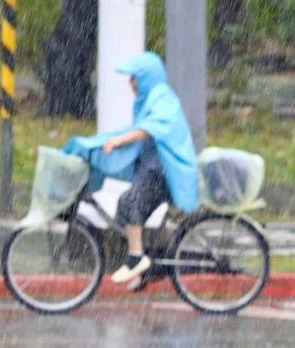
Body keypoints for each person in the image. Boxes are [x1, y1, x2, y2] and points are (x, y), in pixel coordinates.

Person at [64, 52, 198, 290]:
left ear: (148, 77)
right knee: (134, 213)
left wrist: (119, 141)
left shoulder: (162, 98)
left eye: (135, 78)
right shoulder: (148, 100)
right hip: (153, 171)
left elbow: (151, 128)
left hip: (165, 174)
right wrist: (98, 143)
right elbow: (136, 129)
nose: (132, 83)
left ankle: (136, 259)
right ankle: (143, 271)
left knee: (129, 202)